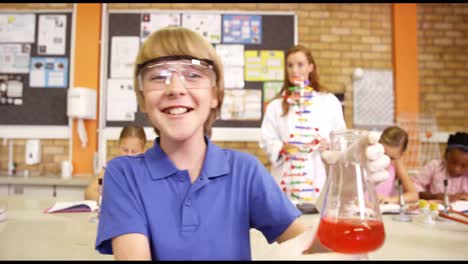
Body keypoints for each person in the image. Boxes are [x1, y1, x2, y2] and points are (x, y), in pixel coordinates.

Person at [94, 26, 390, 260]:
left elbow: (314, 250)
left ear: (215, 95)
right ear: (142, 97)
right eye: (158, 76)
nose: (175, 88)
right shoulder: (123, 175)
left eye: (194, 74)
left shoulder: (244, 171)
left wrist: (344, 195)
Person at [259, 44, 346, 210]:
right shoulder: (276, 106)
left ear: (311, 67)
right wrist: (282, 148)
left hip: (319, 180)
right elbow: (267, 139)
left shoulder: (329, 101)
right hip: (286, 183)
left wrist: (329, 145)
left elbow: (342, 138)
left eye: (300, 64)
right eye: (290, 65)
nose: (294, 70)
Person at [84, 124, 146, 202]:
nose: (129, 155)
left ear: (143, 151)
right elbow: (89, 192)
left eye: (134, 152)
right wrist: (105, 202)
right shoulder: (110, 169)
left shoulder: (147, 171)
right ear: (119, 146)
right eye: (125, 150)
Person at [412, 131, 468, 202]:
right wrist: (432, 196)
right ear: (445, 156)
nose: (456, 169)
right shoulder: (434, 166)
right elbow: (412, 185)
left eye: (464, 166)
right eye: (453, 162)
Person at [374, 126, 418, 204]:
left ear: (401, 154)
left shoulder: (396, 163)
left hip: (382, 210)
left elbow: (413, 195)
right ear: (378, 145)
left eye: (391, 158)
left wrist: (391, 200)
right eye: (383, 155)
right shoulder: (368, 156)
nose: (386, 161)